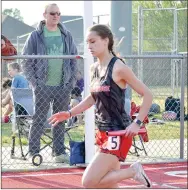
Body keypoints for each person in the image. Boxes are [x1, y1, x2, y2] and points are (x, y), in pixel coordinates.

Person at [49, 24, 153, 188]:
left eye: (93, 41)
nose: (89, 46)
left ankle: (133, 171)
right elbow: (93, 97)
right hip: (102, 132)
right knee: (107, 184)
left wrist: (137, 122)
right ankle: (130, 173)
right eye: (87, 42)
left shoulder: (119, 68)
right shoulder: (93, 68)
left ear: (106, 41)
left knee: (89, 181)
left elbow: (147, 94)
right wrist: (69, 113)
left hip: (118, 132)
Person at [22, 3, 78, 163]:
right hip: (42, 86)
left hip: (63, 86)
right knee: (39, 120)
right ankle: (34, 152)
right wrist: (35, 83)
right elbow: (26, 61)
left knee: (60, 120)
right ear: (45, 14)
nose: (56, 16)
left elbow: (74, 58)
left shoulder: (66, 35)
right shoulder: (35, 35)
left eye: (58, 13)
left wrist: (70, 81)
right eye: (52, 13)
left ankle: (59, 152)